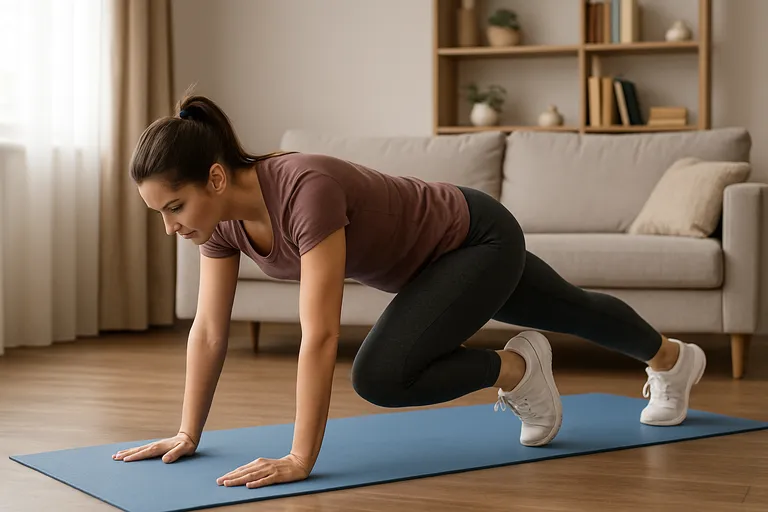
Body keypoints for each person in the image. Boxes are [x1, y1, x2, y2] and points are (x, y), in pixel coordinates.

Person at [112, 93, 707, 490]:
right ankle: (670, 360)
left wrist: (300, 459)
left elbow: (318, 335)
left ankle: (522, 368)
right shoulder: (217, 223)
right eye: (159, 214)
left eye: (175, 207)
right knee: (567, 306)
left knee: (380, 375)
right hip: (435, 268)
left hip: (475, 236)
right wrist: (190, 432)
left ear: (214, 178)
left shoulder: (303, 188)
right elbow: (211, 329)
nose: (171, 227)